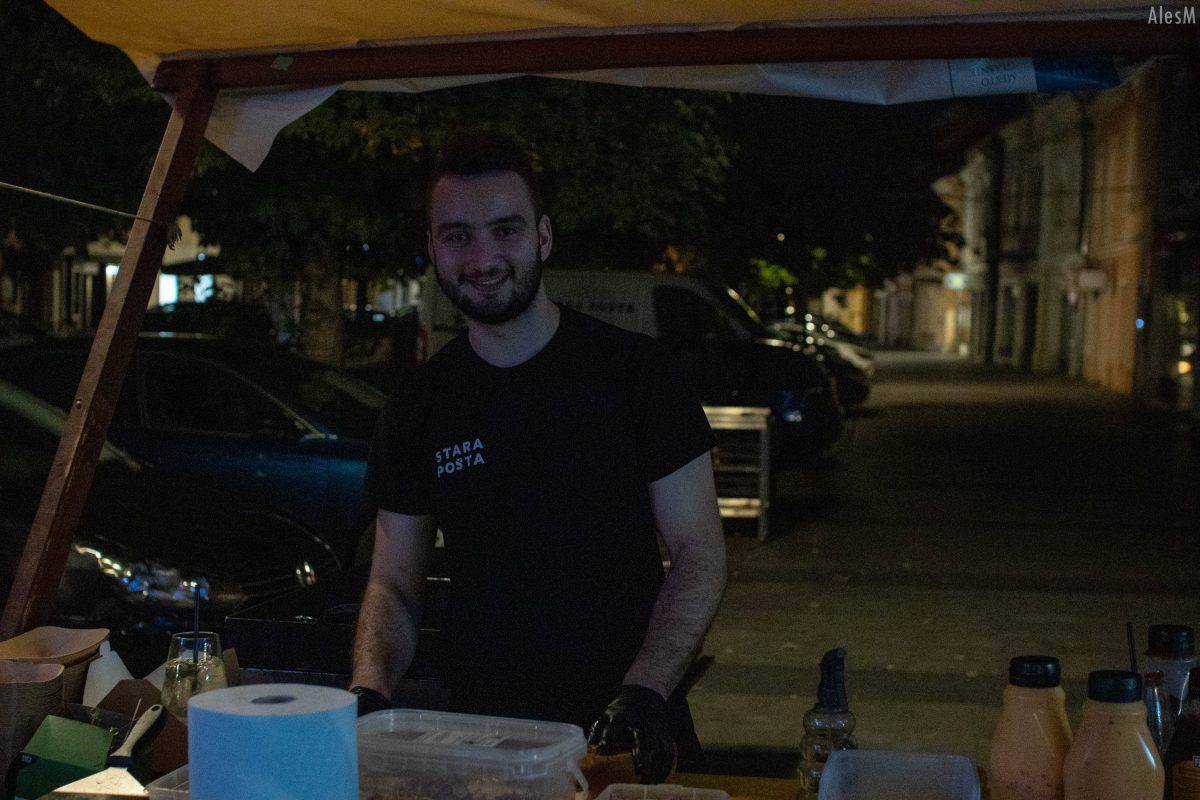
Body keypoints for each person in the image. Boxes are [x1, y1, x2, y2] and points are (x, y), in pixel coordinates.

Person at [350, 130, 727, 782]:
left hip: (627, 735)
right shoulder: (419, 405)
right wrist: (369, 690)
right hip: (484, 747)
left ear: (543, 237)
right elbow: (394, 586)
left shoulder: (637, 374)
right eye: (458, 236)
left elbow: (699, 553)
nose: (483, 257)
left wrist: (645, 690)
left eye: (505, 230)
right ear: (433, 250)